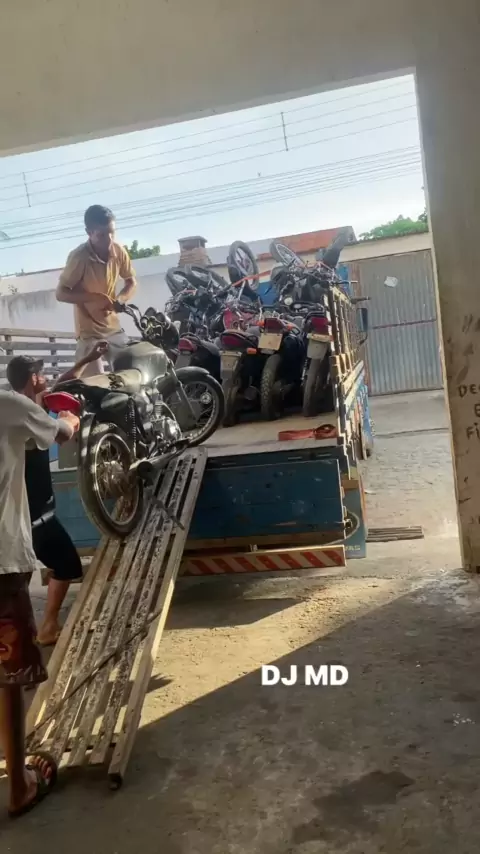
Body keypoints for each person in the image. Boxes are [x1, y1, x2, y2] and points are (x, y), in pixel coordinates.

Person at [0, 389, 79, 817]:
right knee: (9, 676)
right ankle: (19, 786)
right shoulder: (8, 405)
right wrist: (71, 418)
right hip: (1, 566)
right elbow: (60, 433)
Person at [6, 342, 108, 647]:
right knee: (67, 565)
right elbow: (63, 435)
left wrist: (89, 358)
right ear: (33, 378)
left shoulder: (22, 405)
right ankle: (47, 627)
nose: (47, 377)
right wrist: (70, 419)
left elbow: (63, 381)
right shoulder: (25, 412)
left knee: (24, 575)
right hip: (34, 513)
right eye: (41, 374)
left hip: (33, 510)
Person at [55, 204, 137, 377]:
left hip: (113, 327)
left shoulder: (119, 251)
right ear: (89, 232)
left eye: (112, 232)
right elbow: (60, 293)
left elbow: (131, 282)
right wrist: (94, 297)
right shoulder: (79, 257)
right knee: (94, 384)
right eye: (102, 235)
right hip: (88, 332)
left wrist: (121, 299)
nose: (109, 240)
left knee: (132, 372)